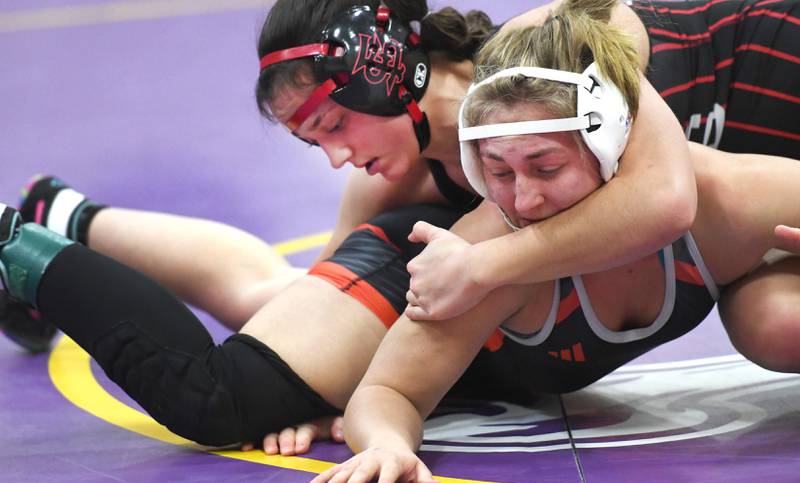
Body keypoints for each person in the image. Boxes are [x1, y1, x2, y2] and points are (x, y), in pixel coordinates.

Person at [3, 0, 798, 452]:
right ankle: (53, 223)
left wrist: (484, 268)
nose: (339, 160)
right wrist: (328, 372)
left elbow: (664, 198)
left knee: (773, 320)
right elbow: (296, 294)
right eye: (502, 170)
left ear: (384, 76)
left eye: (337, 125)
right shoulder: (427, 170)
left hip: (770, 88)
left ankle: (55, 220)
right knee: (272, 313)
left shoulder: (564, 56)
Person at [308, 10, 800, 483]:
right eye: (498, 173)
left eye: (546, 168)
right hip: (430, 346)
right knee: (280, 341)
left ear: (607, 143)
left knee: (779, 322)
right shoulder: (479, 253)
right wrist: (386, 443)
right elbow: (388, 390)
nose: (523, 201)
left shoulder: (721, 197)